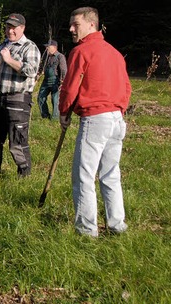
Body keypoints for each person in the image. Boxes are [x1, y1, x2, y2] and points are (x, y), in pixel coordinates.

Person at [59, 7, 131, 237]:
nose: (71, 28)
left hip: (96, 118)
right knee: (111, 174)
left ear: (92, 24)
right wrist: (118, 108)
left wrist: (64, 111)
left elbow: (70, 86)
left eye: (75, 24)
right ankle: (117, 225)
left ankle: (87, 231)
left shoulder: (81, 51)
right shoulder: (115, 53)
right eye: (71, 24)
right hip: (117, 118)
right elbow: (127, 87)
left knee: (84, 176)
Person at [0, 13, 41, 177]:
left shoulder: (29, 47)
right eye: (8, 27)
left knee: (17, 142)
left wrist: (9, 59)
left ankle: (24, 177)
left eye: (14, 27)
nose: (10, 31)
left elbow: (31, 71)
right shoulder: (2, 46)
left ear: (22, 28)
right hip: (1, 98)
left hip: (19, 99)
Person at [37, 39, 67, 119]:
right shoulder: (47, 57)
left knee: (55, 99)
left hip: (55, 81)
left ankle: (55, 118)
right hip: (46, 80)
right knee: (40, 97)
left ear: (54, 47)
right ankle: (45, 116)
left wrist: (62, 81)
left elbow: (64, 69)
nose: (46, 48)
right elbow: (42, 68)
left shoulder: (60, 56)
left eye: (48, 47)